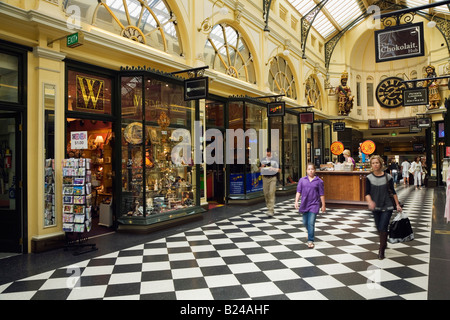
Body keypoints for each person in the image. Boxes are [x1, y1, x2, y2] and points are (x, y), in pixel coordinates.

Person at [365, 155, 402, 260]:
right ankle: (384, 240)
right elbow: (367, 193)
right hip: (375, 207)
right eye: (373, 163)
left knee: (383, 227)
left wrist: (397, 205)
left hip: (387, 206)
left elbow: (393, 192)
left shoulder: (388, 177)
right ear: (371, 165)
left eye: (377, 163)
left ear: (380, 164)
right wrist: (370, 202)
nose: (375, 165)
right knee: (379, 228)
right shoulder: (369, 178)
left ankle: (381, 250)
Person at [295, 163, 326, 249]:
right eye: (309, 169)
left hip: (314, 204)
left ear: (315, 170)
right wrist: (296, 201)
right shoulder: (302, 180)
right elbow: (298, 192)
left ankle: (310, 240)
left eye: (312, 169)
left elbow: (321, 194)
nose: (310, 171)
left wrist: (323, 205)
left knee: (311, 222)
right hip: (304, 204)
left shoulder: (319, 181)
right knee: (305, 222)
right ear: (306, 170)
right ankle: (309, 233)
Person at [260, 148, 280, 216]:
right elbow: (260, 169)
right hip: (265, 178)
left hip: (272, 178)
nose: (268, 154)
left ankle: (271, 210)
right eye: (267, 153)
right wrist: (262, 167)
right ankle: (268, 207)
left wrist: (273, 169)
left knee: (271, 192)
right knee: (266, 193)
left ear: (271, 153)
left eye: (269, 153)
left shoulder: (275, 160)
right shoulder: (263, 160)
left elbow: (279, 170)